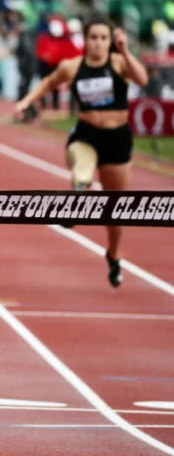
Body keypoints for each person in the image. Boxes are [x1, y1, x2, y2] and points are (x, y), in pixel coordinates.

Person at [14, 17, 148, 287]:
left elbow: (142, 78)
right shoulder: (72, 67)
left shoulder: (120, 63)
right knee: (83, 166)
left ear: (110, 41)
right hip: (86, 135)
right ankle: (76, 200)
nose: (98, 43)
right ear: (85, 41)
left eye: (103, 38)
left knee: (115, 208)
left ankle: (114, 253)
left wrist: (124, 50)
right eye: (93, 38)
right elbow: (48, 83)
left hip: (117, 138)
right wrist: (25, 101)